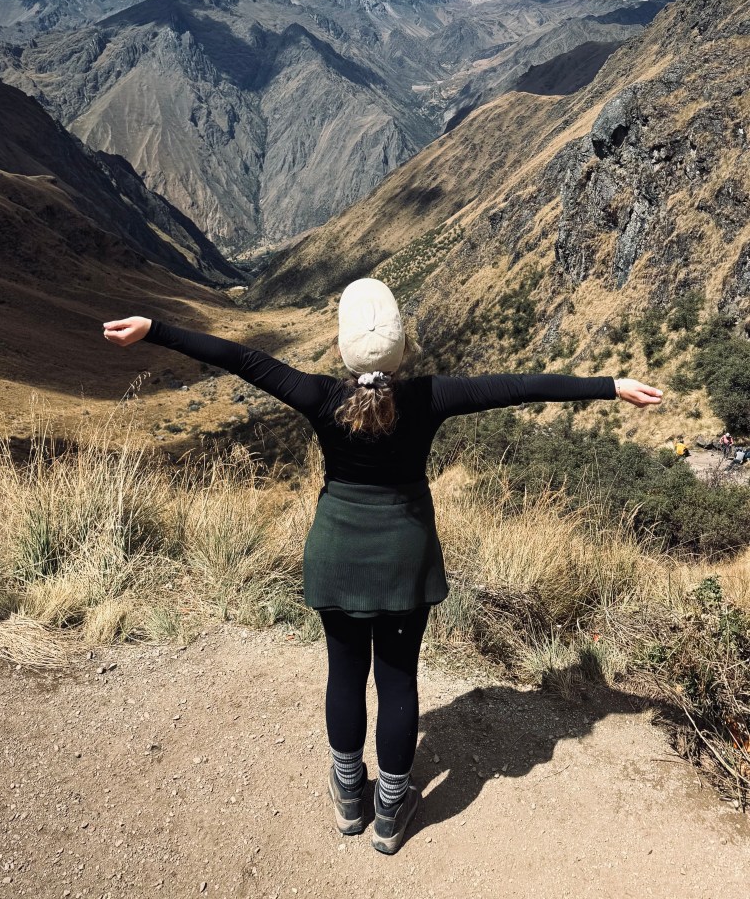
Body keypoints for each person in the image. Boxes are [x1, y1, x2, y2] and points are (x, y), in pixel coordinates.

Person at [103, 279, 663, 854]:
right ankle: (392, 813)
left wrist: (156, 330)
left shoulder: (319, 395)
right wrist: (610, 386)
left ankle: (351, 800)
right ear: (400, 348)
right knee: (397, 677)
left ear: (344, 347)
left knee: (344, 673)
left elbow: (242, 359)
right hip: (404, 559)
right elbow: (518, 387)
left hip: (336, 556)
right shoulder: (430, 397)